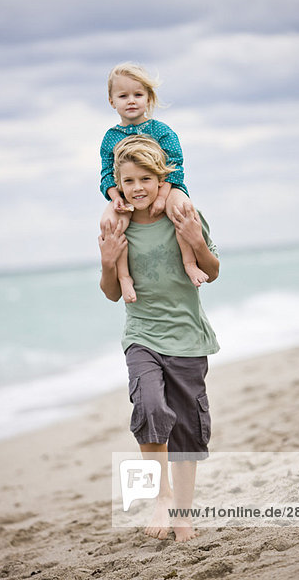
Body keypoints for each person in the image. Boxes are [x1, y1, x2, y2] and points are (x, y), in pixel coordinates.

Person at [98, 135, 220, 542]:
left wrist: (197, 240)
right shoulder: (119, 226)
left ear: (161, 177)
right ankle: (162, 497)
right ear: (118, 183)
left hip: (187, 337)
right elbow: (113, 292)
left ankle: (183, 514)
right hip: (141, 335)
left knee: (186, 428)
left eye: (145, 178)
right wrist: (106, 261)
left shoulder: (184, 213)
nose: (137, 187)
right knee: (149, 407)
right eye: (128, 180)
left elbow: (213, 270)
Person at [100, 62, 209, 304]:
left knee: (181, 211)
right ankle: (124, 276)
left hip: (167, 186)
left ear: (149, 98)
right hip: (126, 193)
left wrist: (162, 196)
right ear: (111, 101)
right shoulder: (110, 138)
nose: (131, 101)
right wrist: (115, 197)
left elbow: (176, 165)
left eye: (138, 95)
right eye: (123, 95)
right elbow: (107, 172)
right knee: (109, 223)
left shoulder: (161, 130)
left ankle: (189, 263)